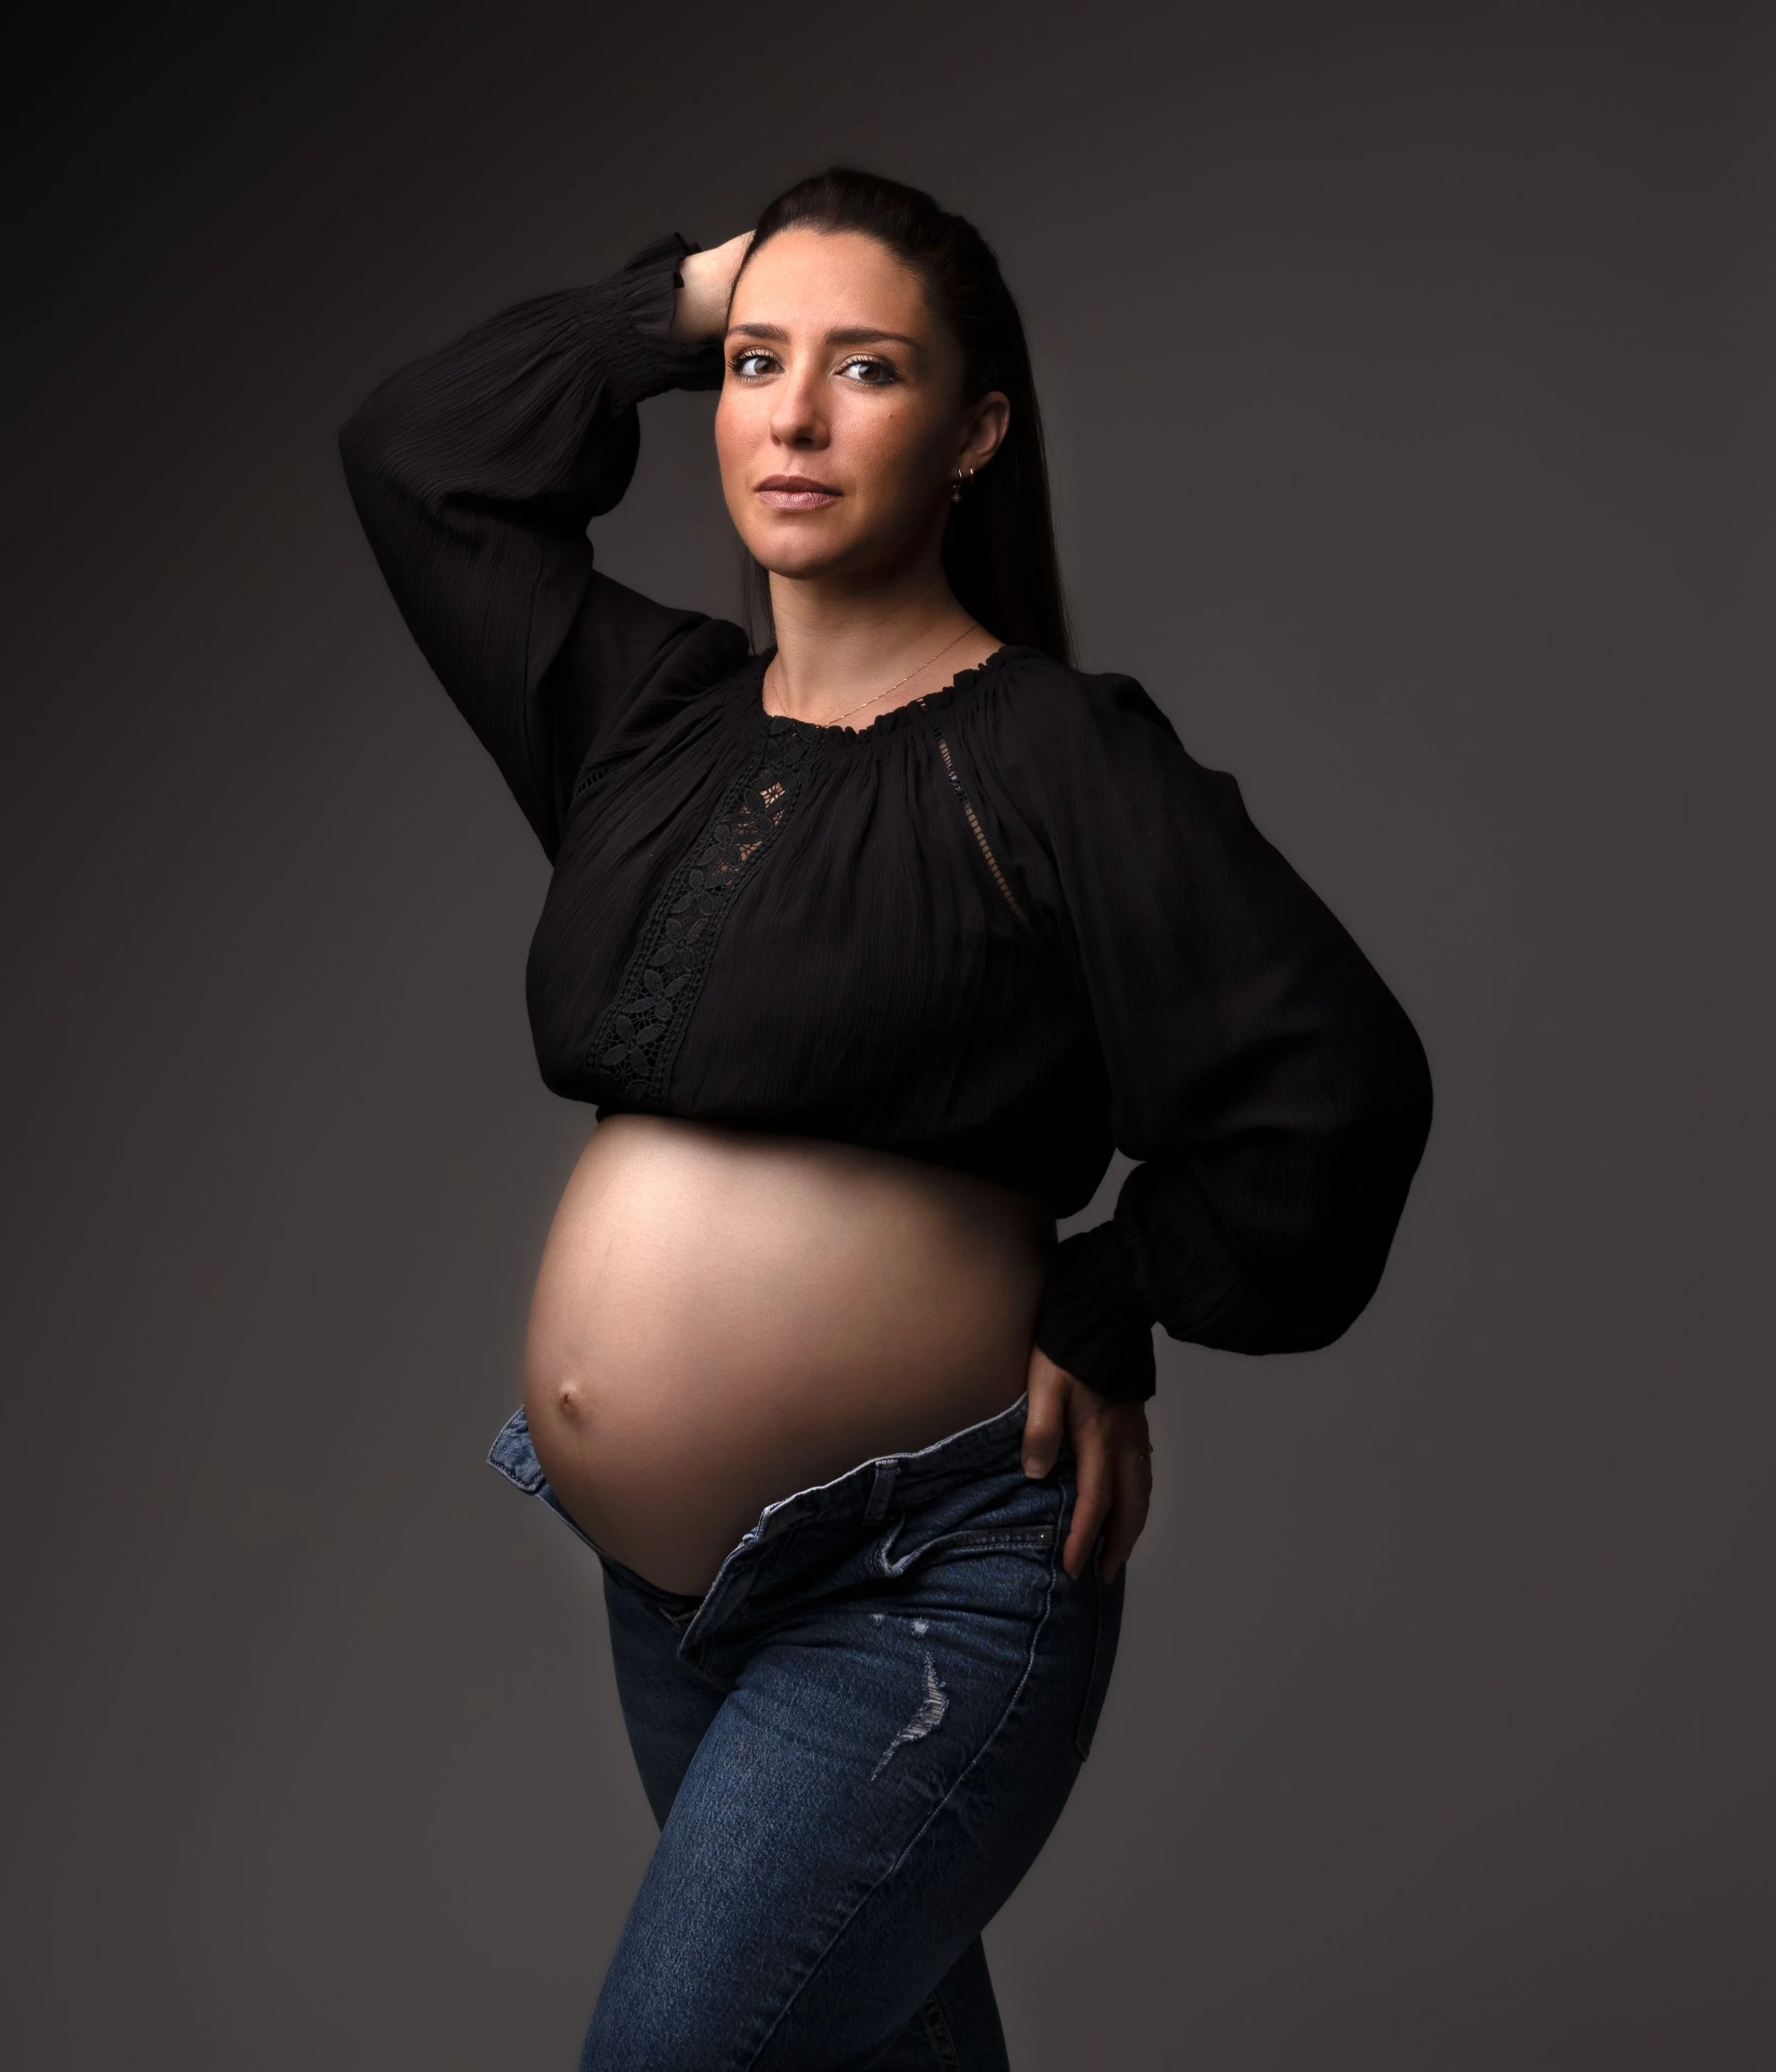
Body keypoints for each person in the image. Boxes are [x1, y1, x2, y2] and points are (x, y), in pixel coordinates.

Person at [337, 164, 1433, 2071]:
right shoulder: (643, 720)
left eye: (865, 367)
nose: (791, 412)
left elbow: (1332, 1081)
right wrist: (682, 299)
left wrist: (1113, 1300)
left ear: (975, 428)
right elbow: (417, 453)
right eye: (758, 364)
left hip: (911, 1598)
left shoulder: (1052, 756)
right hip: (668, 1599)